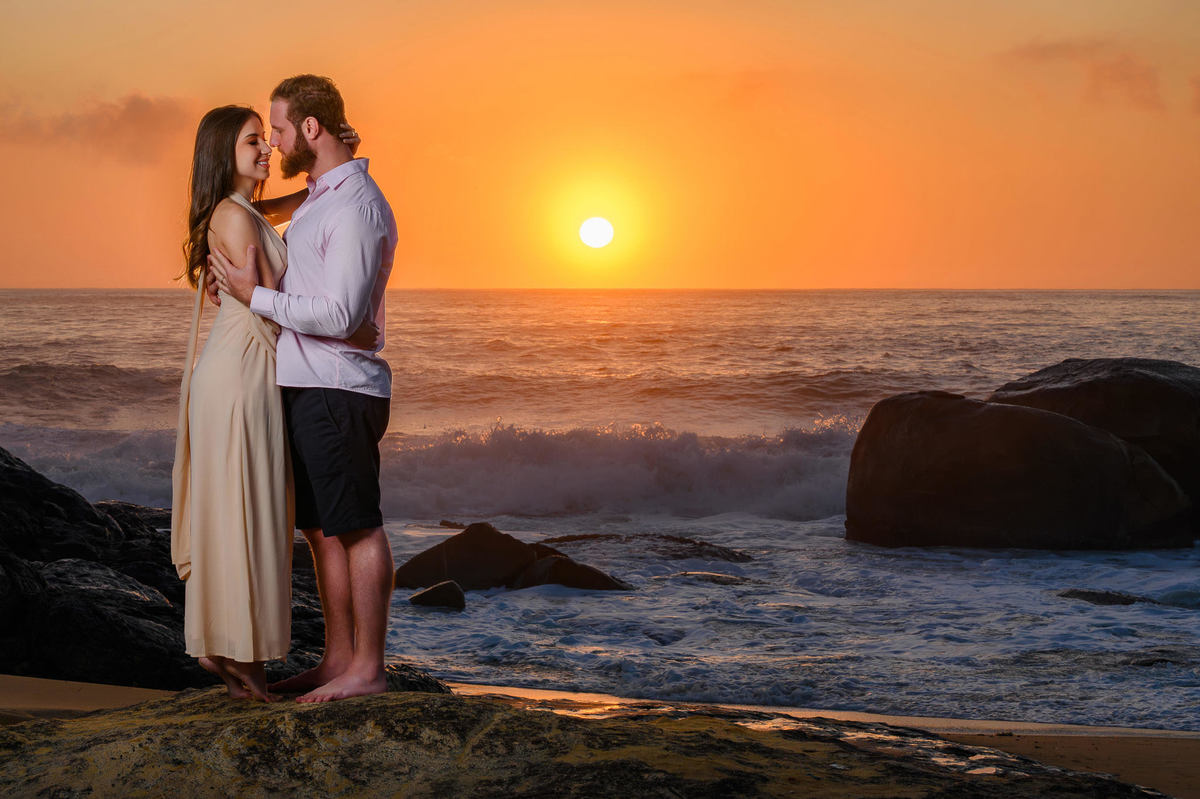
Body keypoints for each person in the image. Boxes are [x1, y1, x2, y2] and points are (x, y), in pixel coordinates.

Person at [209, 74, 398, 703]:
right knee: (321, 530)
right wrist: (243, 214)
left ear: (309, 129)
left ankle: (367, 670)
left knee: (359, 527)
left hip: (339, 386)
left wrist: (252, 294)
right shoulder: (322, 194)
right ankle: (338, 658)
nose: (275, 141)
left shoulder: (356, 206)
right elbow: (290, 209)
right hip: (305, 382)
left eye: (282, 129)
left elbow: (343, 315)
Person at [171, 104, 367, 702]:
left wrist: (337, 170)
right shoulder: (234, 218)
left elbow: (287, 211)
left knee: (239, 507)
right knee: (247, 514)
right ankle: (243, 662)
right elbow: (267, 300)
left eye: (266, 138)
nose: (267, 150)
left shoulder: (241, 212)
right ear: (221, 153)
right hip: (244, 372)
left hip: (237, 370)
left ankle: (222, 650)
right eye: (253, 142)